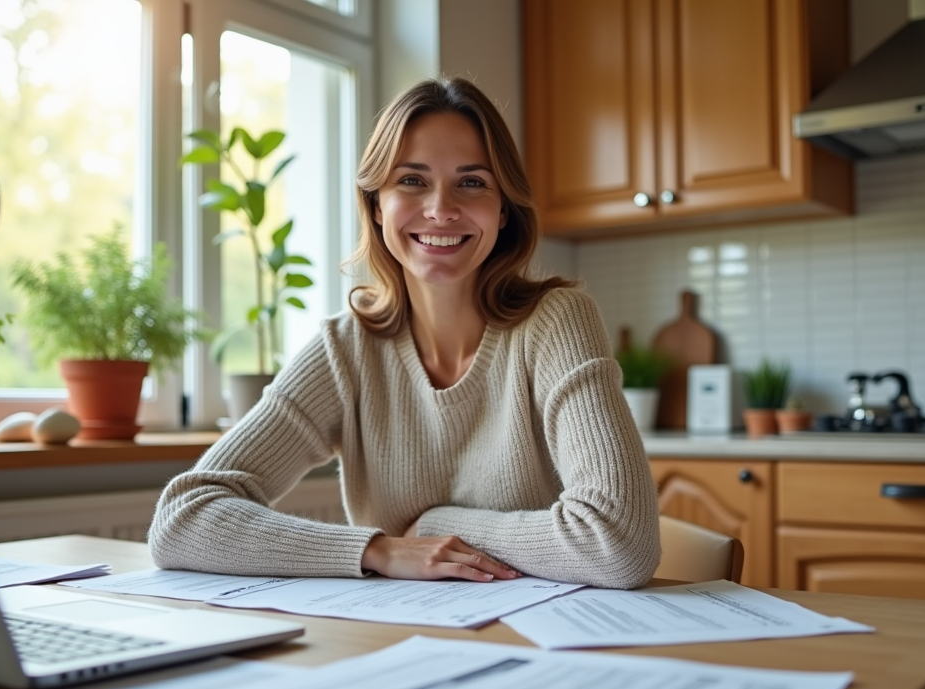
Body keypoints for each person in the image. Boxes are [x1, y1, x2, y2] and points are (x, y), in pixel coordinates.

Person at [149, 76, 660, 589]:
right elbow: (181, 520)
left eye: (473, 181)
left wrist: (438, 526)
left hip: (547, 638)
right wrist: (378, 549)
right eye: (412, 181)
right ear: (375, 204)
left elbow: (619, 545)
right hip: (400, 633)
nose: (441, 208)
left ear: (503, 209)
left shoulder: (556, 322)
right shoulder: (345, 350)